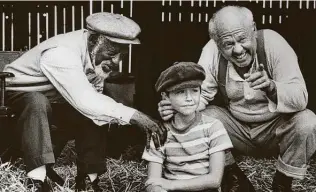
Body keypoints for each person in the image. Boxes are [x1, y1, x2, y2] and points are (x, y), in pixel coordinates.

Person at [158, 6, 316, 192]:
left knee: (307, 121)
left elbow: (300, 99)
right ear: (217, 43)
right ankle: (231, 173)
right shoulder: (211, 51)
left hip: (275, 132)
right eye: (228, 44)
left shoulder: (274, 43)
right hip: (236, 133)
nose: (238, 50)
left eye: (242, 39)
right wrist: (173, 107)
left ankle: (283, 181)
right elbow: (198, 96)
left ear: (254, 30)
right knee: (206, 116)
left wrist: (272, 87)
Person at [3, 12, 166, 192]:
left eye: (122, 55)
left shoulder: (94, 57)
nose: (117, 61)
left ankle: (89, 179)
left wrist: (110, 111)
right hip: (18, 94)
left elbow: (94, 102)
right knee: (38, 101)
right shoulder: (61, 52)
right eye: (112, 53)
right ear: (93, 40)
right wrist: (135, 115)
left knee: (96, 112)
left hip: (56, 98)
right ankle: (36, 179)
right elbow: (84, 99)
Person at [143, 61, 233, 192]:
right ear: (165, 97)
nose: (189, 98)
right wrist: (156, 188)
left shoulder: (213, 127)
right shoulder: (160, 133)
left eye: (195, 91)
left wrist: (171, 185)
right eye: (180, 92)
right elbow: (153, 180)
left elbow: (214, 180)